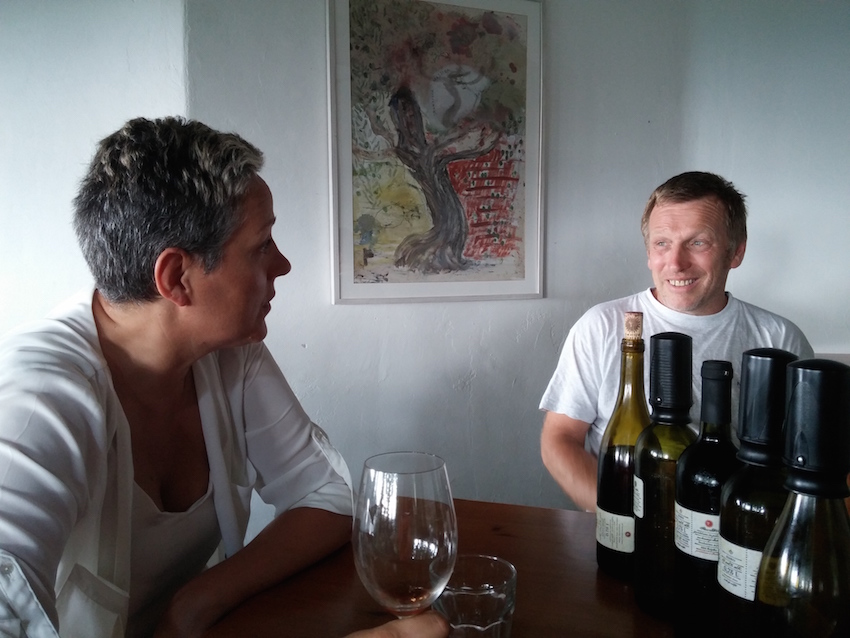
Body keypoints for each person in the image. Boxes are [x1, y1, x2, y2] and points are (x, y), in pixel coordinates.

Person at [0, 117, 447, 638]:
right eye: (262, 245)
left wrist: (195, 603)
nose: (283, 264)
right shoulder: (38, 398)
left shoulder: (229, 353)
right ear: (176, 278)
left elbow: (326, 495)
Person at [539, 171, 814, 512]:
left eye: (698, 243)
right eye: (662, 244)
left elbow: (809, 455)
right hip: (623, 527)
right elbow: (560, 439)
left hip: (730, 528)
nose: (676, 263)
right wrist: (616, 517)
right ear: (648, 252)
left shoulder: (779, 338)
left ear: (736, 252)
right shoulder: (602, 326)